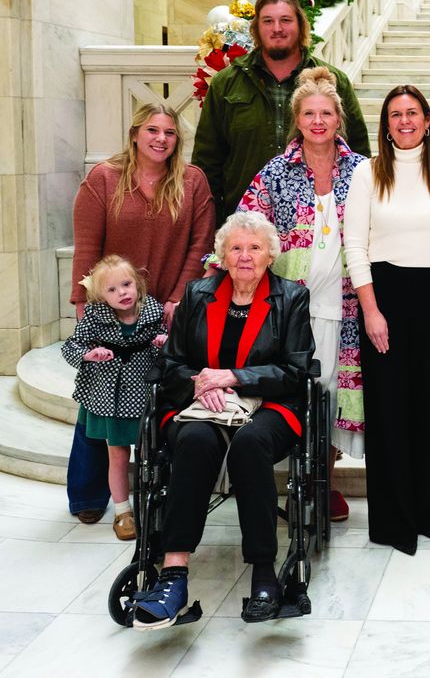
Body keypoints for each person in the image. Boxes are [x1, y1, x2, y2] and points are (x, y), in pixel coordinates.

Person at [134, 211, 316, 629]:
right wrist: (200, 382)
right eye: (236, 248)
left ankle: (264, 573)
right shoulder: (198, 294)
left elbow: (295, 370)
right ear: (222, 255)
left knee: (251, 444)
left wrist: (234, 377)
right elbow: (172, 362)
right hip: (201, 403)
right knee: (195, 441)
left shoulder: (291, 298)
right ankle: (174, 575)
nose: (245, 256)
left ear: (270, 255)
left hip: (270, 406)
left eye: (254, 248)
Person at [68, 104, 215, 525]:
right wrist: (84, 306)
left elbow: (201, 244)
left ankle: (160, 493)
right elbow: (86, 248)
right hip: (111, 311)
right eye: (152, 130)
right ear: (135, 134)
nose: (161, 139)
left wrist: (179, 297)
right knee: (99, 401)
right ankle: (89, 493)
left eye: (169, 132)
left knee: (164, 398)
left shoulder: (192, 181)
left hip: (166, 310)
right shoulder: (104, 179)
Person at [344, 85, 430, 556]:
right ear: (386, 124)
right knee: (388, 411)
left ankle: (424, 512)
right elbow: (355, 245)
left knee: (423, 408)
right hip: (385, 298)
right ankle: (392, 521)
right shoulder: (367, 172)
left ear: (426, 120)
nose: (405, 121)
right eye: (396, 114)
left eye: (413, 112)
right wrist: (371, 311)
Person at [237, 66, 369, 523]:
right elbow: (246, 227)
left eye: (326, 113)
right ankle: (298, 481)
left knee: (333, 397)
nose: (318, 121)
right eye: (309, 113)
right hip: (289, 311)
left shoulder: (363, 171)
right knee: (294, 395)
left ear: (338, 119)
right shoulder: (275, 172)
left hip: (347, 308)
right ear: (297, 119)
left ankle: (324, 483)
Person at [192, 0, 370, 223]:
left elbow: (359, 155)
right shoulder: (226, 83)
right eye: (268, 21)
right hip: (245, 225)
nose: (277, 28)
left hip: (317, 223)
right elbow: (207, 162)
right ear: (256, 28)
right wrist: (210, 226)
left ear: (300, 26)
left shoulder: (334, 82)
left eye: (285, 20)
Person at [61, 256, 166, 541]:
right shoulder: (95, 316)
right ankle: (123, 512)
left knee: (147, 454)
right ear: (100, 296)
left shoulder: (152, 310)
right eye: (112, 289)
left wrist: (162, 343)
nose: (122, 292)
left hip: (142, 394)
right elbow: (71, 346)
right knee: (117, 455)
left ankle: (148, 505)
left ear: (137, 284)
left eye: (126, 284)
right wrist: (89, 355)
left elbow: (166, 344)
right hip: (110, 396)